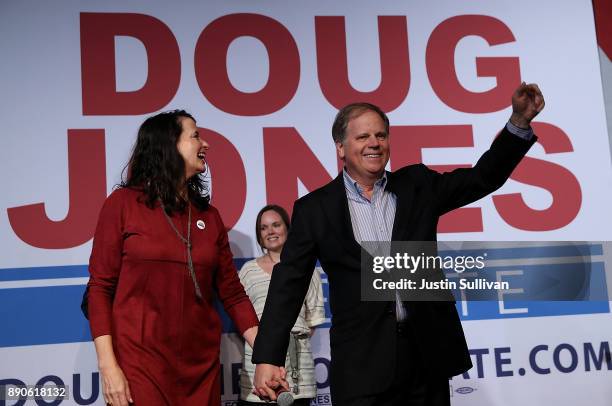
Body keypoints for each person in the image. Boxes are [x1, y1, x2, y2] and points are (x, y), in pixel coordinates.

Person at [251, 83, 545, 405]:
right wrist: (268, 356)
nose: (374, 143)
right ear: (340, 147)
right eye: (363, 137)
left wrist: (518, 122)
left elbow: (483, 178)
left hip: (425, 359)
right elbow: (288, 284)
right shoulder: (315, 209)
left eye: (381, 135)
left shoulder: (417, 186)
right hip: (361, 367)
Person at [86, 110, 259, 406]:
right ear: (168, 145)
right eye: (195, 136)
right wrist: (108, 367)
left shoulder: (209, 217)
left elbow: (231, 293)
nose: (206, 144)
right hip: (140, 367)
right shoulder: (122, 205)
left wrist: (267, 350)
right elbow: (100, 288)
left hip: (201, 369)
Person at [238, 205, 325, 406]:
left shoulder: (309, 270)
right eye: (264, 227)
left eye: (276, 225)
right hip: (257, 369)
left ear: (288, 228)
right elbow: (242, 316)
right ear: (259, 236)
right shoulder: (247, 271)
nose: (271, 231)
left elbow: (311, 321)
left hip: (299, 374)